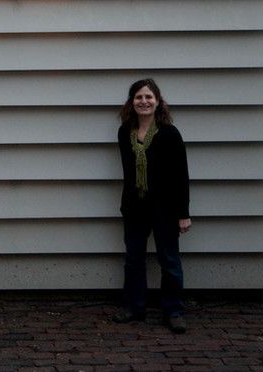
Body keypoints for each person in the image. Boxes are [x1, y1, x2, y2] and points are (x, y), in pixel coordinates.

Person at [112, 78, 191, 334]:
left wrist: (183, 214)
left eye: (149, 97)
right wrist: (126, 204)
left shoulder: (170, 134)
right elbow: (128, 172)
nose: (144, 102)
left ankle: (174, 311)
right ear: (131, 102)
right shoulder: (125, 133)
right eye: (138, 97)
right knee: (133, 259)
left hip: (165, 209)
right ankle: (134, 307)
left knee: (169, 260)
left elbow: (181, 176)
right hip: (135, 208)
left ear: (157, 102)